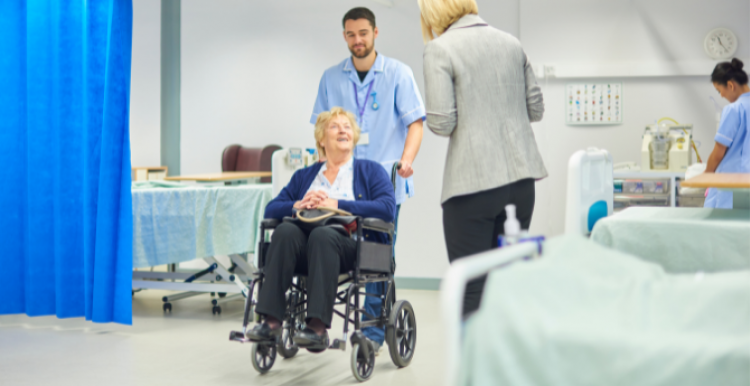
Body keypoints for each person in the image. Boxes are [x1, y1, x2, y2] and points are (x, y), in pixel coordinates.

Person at [418, 0, 547, 315]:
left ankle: (473, 364)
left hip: (472, 184)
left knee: (470, 287)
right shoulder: (511, 43)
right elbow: (536, 110)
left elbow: (442, 122)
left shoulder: (440, 49)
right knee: (507, 280)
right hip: (521, 181)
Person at [310, 7, 425, 350]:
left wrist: (406, 161)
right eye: (350, 34)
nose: (357, 40)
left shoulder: (398, 74)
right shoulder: (331, 78)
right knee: (331, 247)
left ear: (376, 33)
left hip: (381, 185)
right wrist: (320, 169)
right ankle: (316, 319)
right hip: (341, 185)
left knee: (376, 258)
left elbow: (415, 123)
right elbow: (320, 132)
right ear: (344, 36)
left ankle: (373, 332)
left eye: (363, 33)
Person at [246, 107, 396, 351]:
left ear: (354, 136)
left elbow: (387, 208)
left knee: (323, 234)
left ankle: (317, 327)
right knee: (285, 231)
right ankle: (271, 322)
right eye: (335, 126)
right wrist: (298, 204)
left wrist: (337, 204)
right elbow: (271, 209)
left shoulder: (370, 170)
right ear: (321, 140)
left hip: (349, 247)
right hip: (305, 248)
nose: (343, 130)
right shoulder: (305, 176)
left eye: (347, 126)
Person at [704, 58, 749, 209]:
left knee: (723, 228)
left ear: (730, 85)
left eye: (719, 90)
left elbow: (718, 152)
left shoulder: (734, 109)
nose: (721, 95)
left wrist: (706, 175)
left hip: (731, 182)